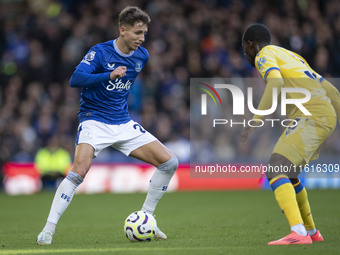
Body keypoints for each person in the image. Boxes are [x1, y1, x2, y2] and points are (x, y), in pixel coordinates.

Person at [37, 6, 178, 245]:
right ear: (123, 30)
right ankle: (48, 229)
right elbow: (76, 79)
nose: (142, 39)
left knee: (169, 162)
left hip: (122, 122)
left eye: (144, 33)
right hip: (94, 119)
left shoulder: (142, 56)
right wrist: (108, 75)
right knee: (78, 171)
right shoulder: (100, 53)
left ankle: (146, 218)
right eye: (138, 33)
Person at [241, 23, 340, 245]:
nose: (245, 53)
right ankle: (312, 232)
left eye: (244, 48)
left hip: (311, 114)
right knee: (289, 173)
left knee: (275, 167)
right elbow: (331, 90)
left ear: (251, 45)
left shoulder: (263, 55)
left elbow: (274, 81)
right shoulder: (290, 55)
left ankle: (298, 233)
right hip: (321, 114)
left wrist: (256, 120)